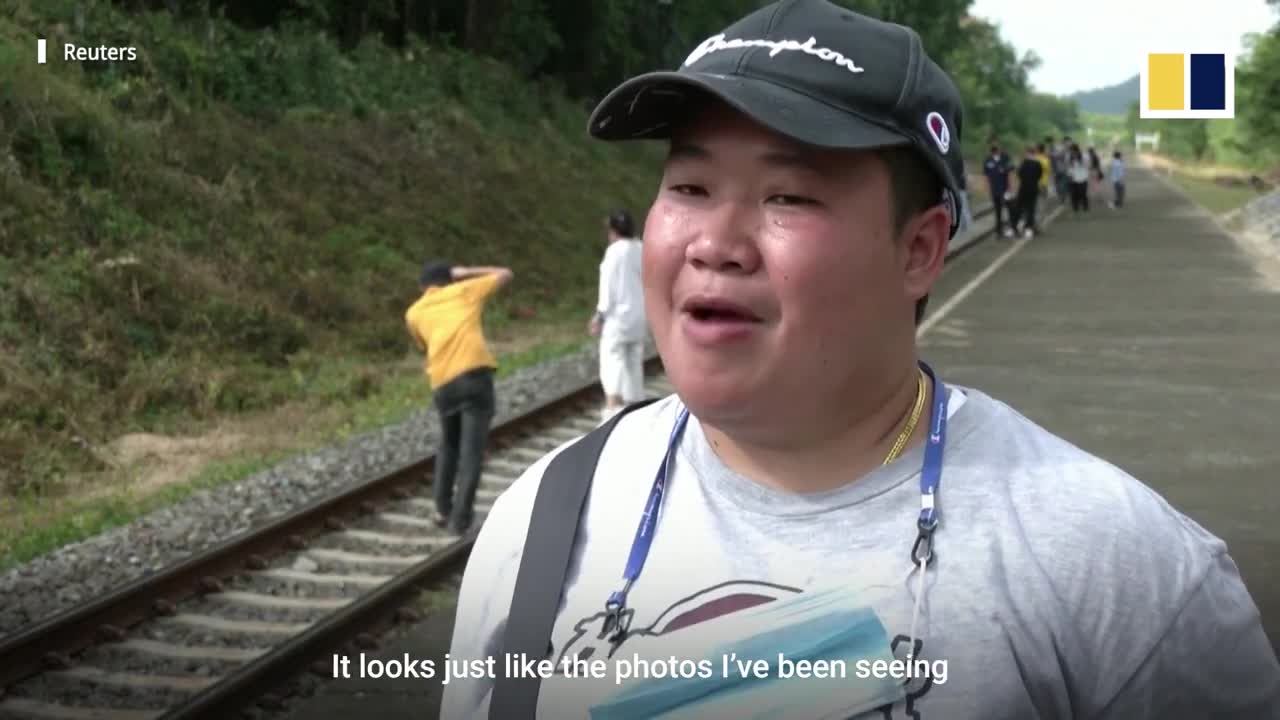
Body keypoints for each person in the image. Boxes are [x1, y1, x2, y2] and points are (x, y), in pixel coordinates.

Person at [443, 1, 1280, 718]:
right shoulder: (541, 521)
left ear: (919, 250)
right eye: (689, 187)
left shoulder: (1122, 577)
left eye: (787, 197)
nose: (713, 244)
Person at [404, 259, 513, 535]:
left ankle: (442, 508)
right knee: (471, 452)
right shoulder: (463, 291)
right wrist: (466, 273)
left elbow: (424, 345)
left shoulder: (414, 313)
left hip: (442, 383)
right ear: (450, 279)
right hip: (474, 378)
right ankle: (460, 520)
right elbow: (505, 273)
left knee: (449, 445)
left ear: (423, 287)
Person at [590, 208, 647, 422]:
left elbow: (607, 288)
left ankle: (612, 409)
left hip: (617, 318)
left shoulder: (614, 252)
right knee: (633, 361)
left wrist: (599, 316)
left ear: (614, 230)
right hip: (639, 317)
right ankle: (636, 406)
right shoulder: (641, 249)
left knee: (612, 360)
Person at [982, 141, 1013, 238]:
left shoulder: (1004, 159)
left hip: (1004, 189)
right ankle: (999, 230)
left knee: (1009, 208)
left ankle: (1011, 227)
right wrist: (987, 188)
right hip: (995, 189)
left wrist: (1010, 187)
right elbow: (986, 175)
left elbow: (1009, 174)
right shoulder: (988, 160)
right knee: (998, 210)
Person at [1012, 144, 1044, 238]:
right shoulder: (1038, 164)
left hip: (1023, 188)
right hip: (1033, 188)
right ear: (1033, 153)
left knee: (1019, 207)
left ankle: (1015, 226)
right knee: (1031, 208)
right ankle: (1028, 228)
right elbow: (1039, 176)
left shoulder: (1022, 163)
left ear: (1027, 153)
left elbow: (1019, 175)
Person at [1067, 143, 1091, 214]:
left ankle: (1085, 206)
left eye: (1072, 151)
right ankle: (1075, 207)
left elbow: (1088, 165)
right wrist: (1069, 175)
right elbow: (1069, 167)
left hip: (1083, 178)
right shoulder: (1069, 157)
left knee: (1083, 193)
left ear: (1076, 150)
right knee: (1074, 194)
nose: (1072, 153)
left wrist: (1080, 160)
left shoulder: (1084, 156)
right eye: (1071, 151)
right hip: (1073, 178)